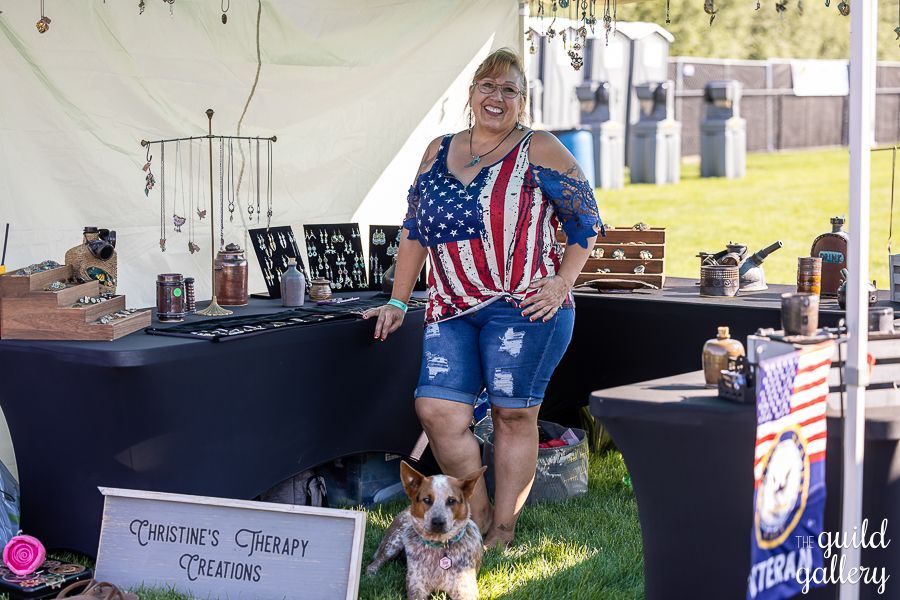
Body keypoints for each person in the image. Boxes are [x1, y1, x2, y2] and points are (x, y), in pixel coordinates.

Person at [363, 48, 602, 549]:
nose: (496, 98)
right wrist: (399, 301)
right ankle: (480, 518)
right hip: (451, 307)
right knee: (437, 412)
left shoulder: (540, 148)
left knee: (512, 415)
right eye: (487, 87)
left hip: (524, 307)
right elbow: (414, 231)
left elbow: (586, 223)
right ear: (471, 93)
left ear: (522, 100)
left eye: (509, 90)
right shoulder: (437, 149)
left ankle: (504, 532)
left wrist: (562, 283)